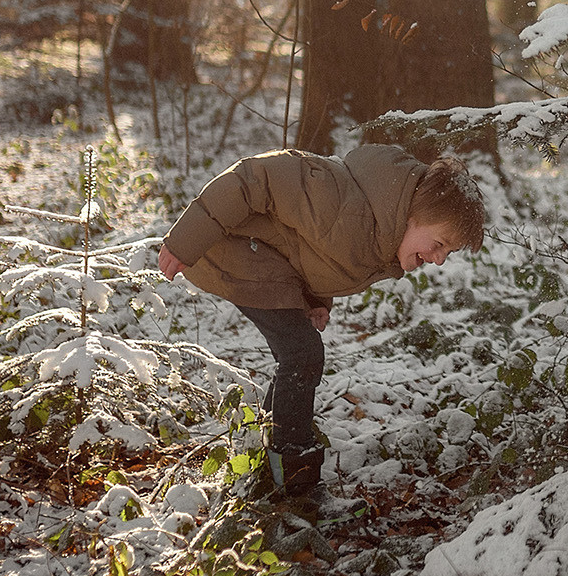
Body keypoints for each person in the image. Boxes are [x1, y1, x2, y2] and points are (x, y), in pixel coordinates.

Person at [158, 144, 487, 509]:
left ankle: (264, 453)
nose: (439, 260)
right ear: (413, 214)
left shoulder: (381, 236)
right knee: (301, 355)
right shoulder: (340, 200)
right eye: (439, 244)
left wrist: (312, 300)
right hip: (224, 245)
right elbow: (255, 177)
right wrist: (186, 238)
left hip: (265, 262)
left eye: (448, 253)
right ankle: (297, 490)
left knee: (298, 353)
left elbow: (306, 250)